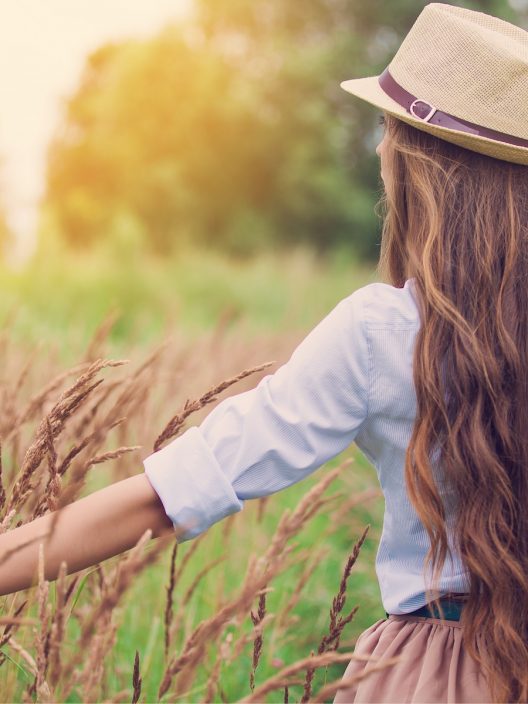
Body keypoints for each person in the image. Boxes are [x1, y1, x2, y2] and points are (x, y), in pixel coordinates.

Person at [0, 2, 527, 702]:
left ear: (418, 160)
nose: (377, 148)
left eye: (386, 128)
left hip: (438, 674)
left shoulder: (384, 333)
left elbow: (171, 496)